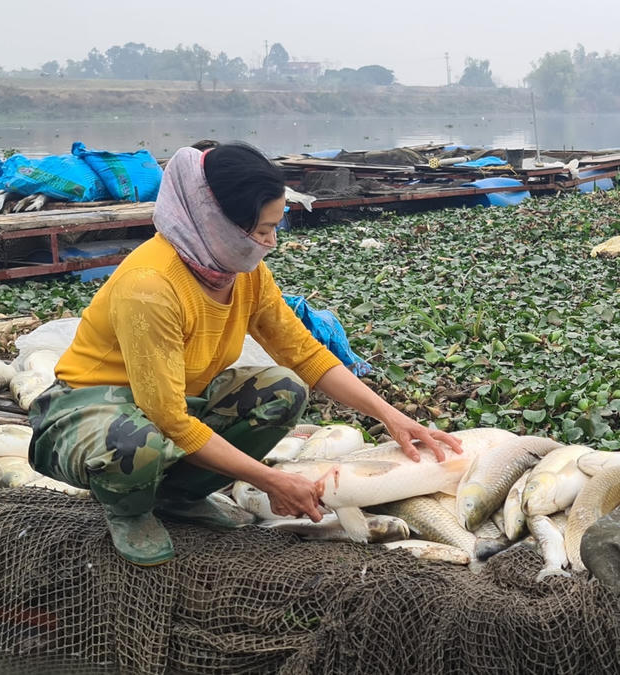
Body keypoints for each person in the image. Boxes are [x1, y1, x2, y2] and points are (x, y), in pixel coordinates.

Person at [27, 143, 462, 566]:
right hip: (86, 411)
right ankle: (129, 511)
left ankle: (179, 497)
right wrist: (271, 479)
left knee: (283, 389)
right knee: (138, 444)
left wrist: (391, 416)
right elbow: (168, 418)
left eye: (276, 226)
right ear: (215, 222)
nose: (271, 242)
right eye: (261, 230)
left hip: (170, 408)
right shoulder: (151, 286)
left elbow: (305, 354)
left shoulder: (240, 273)